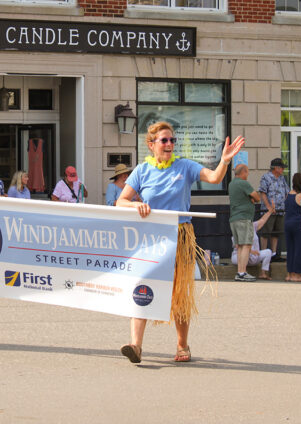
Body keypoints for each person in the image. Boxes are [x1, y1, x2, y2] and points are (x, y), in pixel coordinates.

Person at [116, 121, 244, 364]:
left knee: (179, 292)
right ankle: (136, 345)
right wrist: (136, 204)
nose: (169, 144)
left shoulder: (184, 166)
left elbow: (215, 178)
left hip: (180, 235)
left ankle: (182, 345)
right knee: (142, 286)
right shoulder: (142, 171)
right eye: (164, 140)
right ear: (151, 144)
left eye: (172, 140)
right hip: (151, 238)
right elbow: (121, 201)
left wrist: (225, 161)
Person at [227, 163, 262, 281]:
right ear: (243, 172)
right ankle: (242, 272)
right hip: (244, 218)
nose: (247, 175)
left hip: (234, 218)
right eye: (247, 172)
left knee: (240, 246)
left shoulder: (231, 184)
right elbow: (257, 197)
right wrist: (252, 199)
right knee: (246, 245)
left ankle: (239, 272)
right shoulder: (243, 183)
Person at [230, 207, 275, 281]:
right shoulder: (237, 228)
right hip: (239, 257)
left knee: (268, 252)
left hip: (254, 256)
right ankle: (242, 272)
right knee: (243, 253)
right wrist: (251, 251)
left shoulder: (252, 226)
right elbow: (238, 246)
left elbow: (262, 220)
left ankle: (263, 273)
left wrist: (270, 211)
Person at [258, 158, 289, 254]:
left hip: (280, 209)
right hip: (268, 211)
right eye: (281, 168)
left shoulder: (282, 178)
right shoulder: (266, 177)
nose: (283, 170)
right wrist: (268, 207)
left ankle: (274, 253)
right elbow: (262, 192)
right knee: (265, 232)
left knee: (276, 233)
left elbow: (287, 191)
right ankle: (263, 253)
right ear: (276, 168)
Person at [284, 173, 301, 282]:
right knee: (300, 249)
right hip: (298, 224)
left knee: (291, 249)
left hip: (287, 223)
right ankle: (297, 274)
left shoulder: (288, 194)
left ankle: (289, 273)